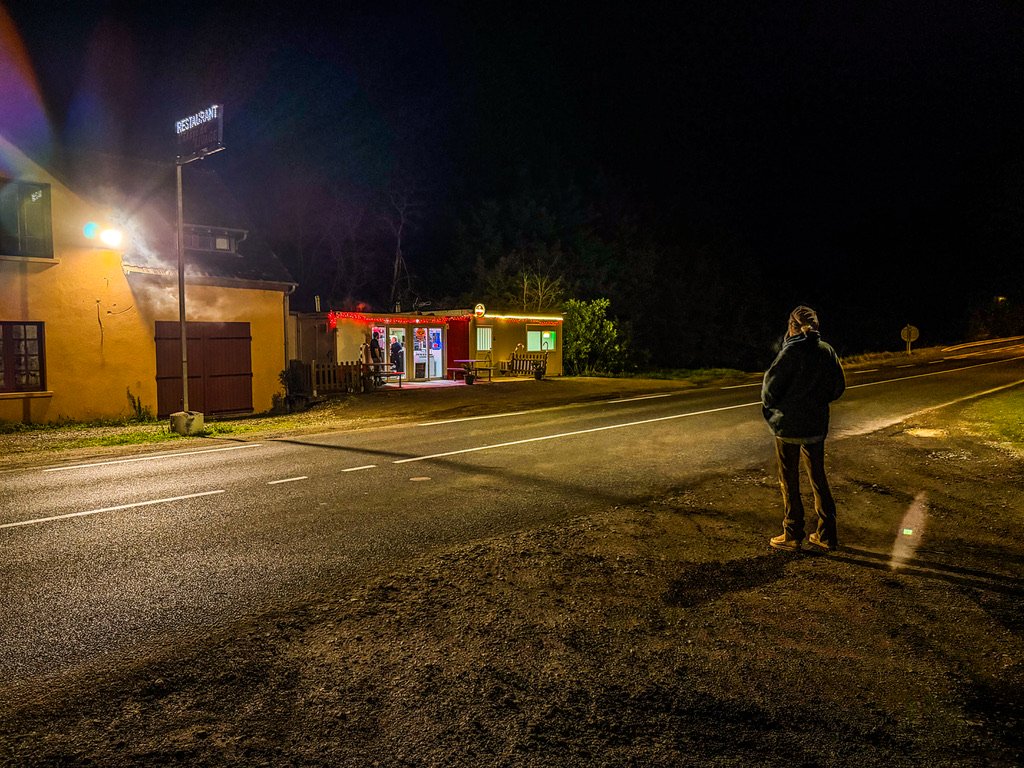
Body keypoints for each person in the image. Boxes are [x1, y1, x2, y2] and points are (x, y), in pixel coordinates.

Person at [761, 305, 846, 552]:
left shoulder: (789, 353)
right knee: (818, 477)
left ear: (791, 327)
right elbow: (838, 387)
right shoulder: (826, 351)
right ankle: (827, 534)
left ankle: (792, 533)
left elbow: (769, 393)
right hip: (816, 426)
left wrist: (779, 409)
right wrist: (817, 402)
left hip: (787, 428)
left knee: (789, 480)